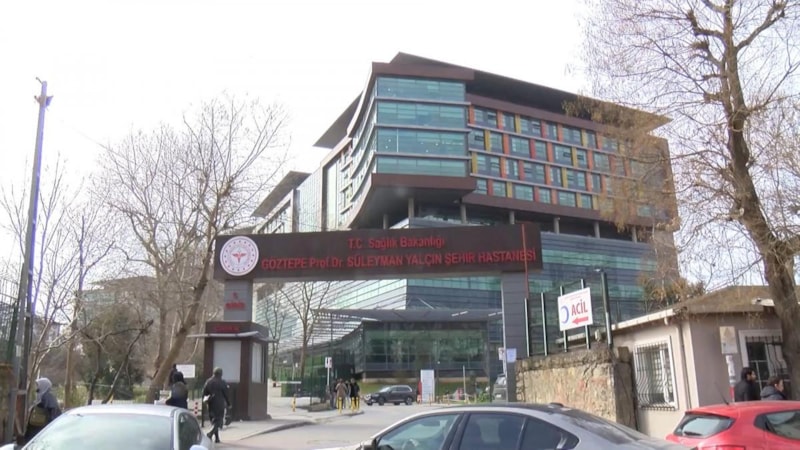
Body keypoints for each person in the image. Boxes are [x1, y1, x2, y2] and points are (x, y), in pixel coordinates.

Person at [24, 377, 61, 443]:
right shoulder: (43, 396)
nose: (37, 389)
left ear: (43, 386)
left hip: (43, 430)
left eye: (38, 386)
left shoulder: (48, 398)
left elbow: (51, 412)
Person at [203, 367, 230, 444]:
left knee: (214, 421)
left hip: (211, 403)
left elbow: (204, 392)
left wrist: (206, 399)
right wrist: (229, 403)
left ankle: (217, 438)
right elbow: (226, 394)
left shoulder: (208, 381)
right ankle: (210, 433)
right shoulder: (222, 382)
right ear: (220, 374)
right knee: (219, 421)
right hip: (219, 403)